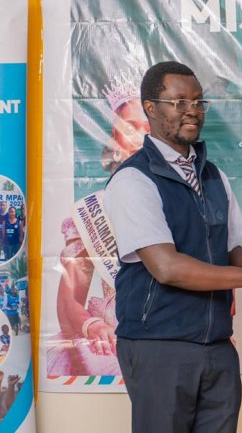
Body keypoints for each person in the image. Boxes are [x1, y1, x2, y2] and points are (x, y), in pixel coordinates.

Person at [104, 61, 242, 433]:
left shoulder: (213, 176)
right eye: (180, 102)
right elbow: (167, 267)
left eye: (198, 102)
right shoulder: (134, 179)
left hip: (217, 346)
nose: (192, 111)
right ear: (151, 108)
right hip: (159, 346)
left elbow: (232, 252)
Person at [51, 70, 150, 376]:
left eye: (150, 128)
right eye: (131, 128)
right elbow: (68, 302)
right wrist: (92, 325)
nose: (142, 139)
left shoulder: (191, 197)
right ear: (114, 138)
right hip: (118, 339)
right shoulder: (92, 211)